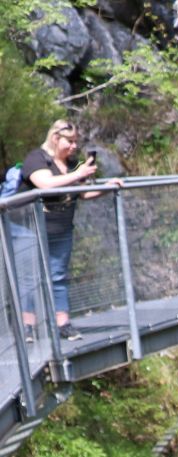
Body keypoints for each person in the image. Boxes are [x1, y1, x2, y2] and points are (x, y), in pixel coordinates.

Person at [13, 120, 118, 341]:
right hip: (27, 228)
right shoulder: (37, 158)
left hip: (60, 231)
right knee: (29, 278)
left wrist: (107, 187)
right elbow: (46, 184)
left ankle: (63, 325)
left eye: (75, 142)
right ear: (55, 138)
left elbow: (82, 193)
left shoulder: (71, 165)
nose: (73, 147)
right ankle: (27, 327)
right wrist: (79, 174)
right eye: (69, 142)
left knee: (58, 276)